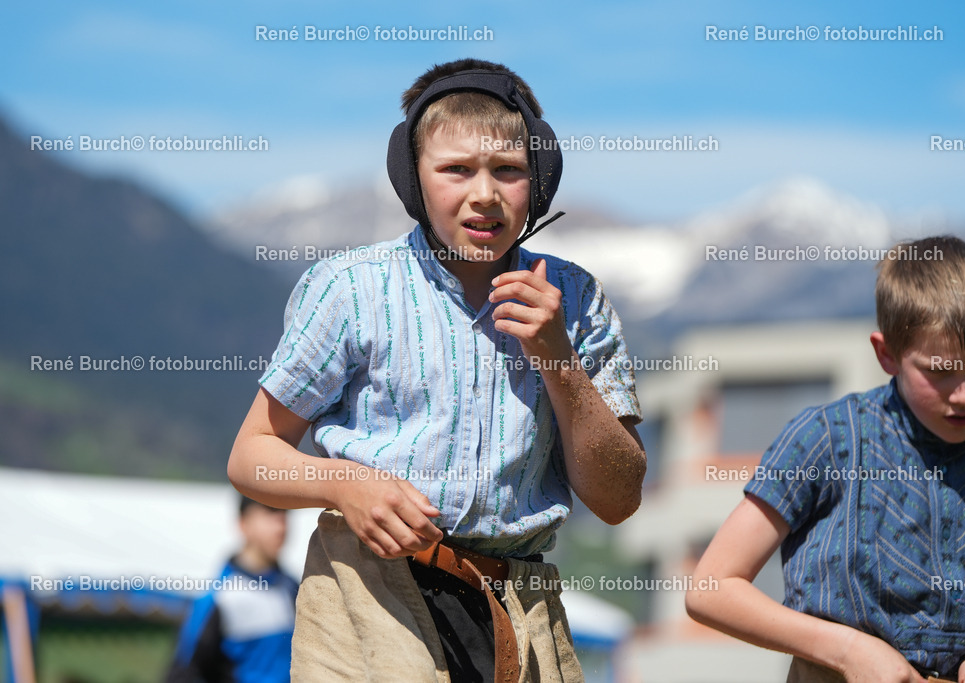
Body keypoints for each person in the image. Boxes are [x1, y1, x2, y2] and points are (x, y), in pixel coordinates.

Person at [226, 58, 646, 682]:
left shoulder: (577, 301)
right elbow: (251, 456)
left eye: (509, 171)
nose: (485, 194)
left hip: (520, 608)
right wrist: (345, 485)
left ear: (540, 183)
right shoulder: (349, 289)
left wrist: (556, 355)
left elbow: (618, 499)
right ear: (412, 180)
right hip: (367, 590)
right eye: (456, 170)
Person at [686, 235, 965, 682]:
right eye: (939, 371)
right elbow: (711, 589)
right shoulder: (825, 438)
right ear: (887, 354)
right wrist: (847, 650)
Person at [166, 496, 298, 683]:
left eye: (285, 513)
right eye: (270, 512)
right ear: (243, 524)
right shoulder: (217, 597)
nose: (281, 525)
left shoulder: (293, 588)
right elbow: (185, 672)